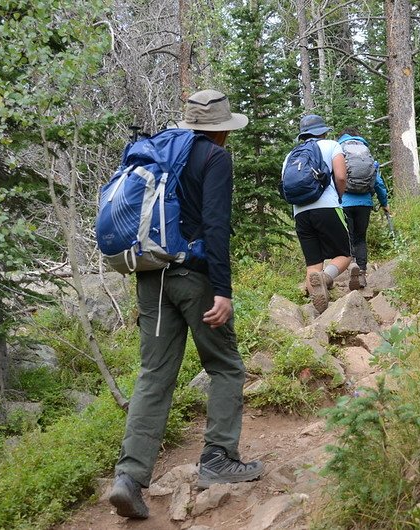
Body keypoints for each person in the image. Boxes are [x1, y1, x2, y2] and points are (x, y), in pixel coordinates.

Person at [108, 90, 264, 519]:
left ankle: (129, 478)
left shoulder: (161, 151)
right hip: (193, 277)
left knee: (154, 374)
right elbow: (216, 225)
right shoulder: (214, 158)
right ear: (220, 129)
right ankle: (218, 458)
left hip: (150, 278)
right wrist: (223, 290)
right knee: (225, 365)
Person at [283, 114, 351, 313]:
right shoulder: (332, 145)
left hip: (300, 212)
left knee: (313, 264)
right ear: (323, 131)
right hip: (327, 206)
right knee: (344, 255)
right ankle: (326, 277)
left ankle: (318, 315)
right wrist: (338, 197)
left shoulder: (291, 155)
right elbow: (340, 176)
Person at [337, 128, 390, 290]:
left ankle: (351, 266)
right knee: (360, 238)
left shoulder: (340, 150)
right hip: (364, 204)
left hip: (344, 202)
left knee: (348, 238)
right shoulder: (365, 153)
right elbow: (378, 182)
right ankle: (361, 273)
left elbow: (336, 177)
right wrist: (384, 203)